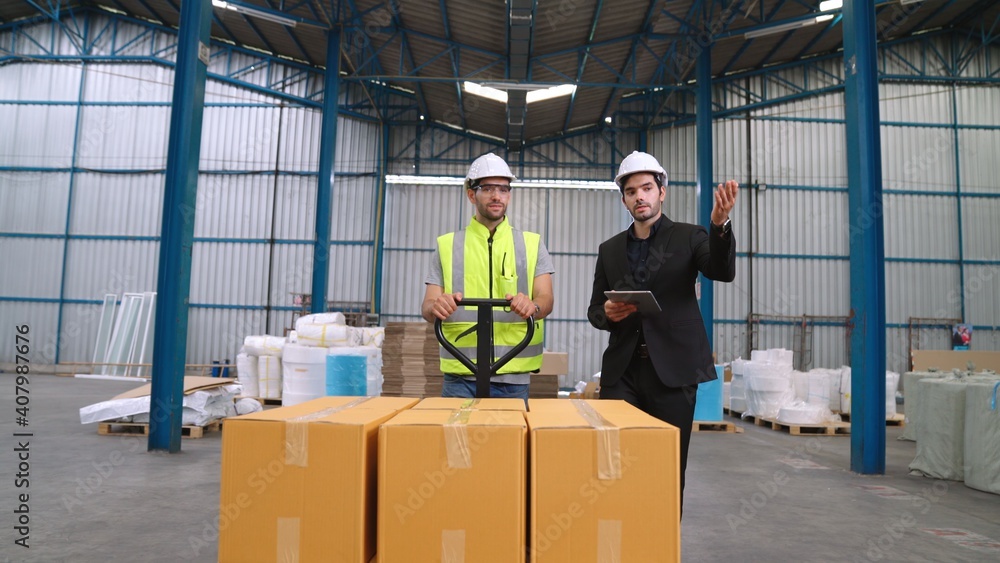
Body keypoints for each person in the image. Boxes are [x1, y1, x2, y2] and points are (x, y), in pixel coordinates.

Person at [587, 151, 738, 512]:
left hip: (673, 374)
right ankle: (616, 536)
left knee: (667, 467)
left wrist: (719, 225)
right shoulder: (609, 250)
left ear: (661, 192)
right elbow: (595, 311)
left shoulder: (690, 237)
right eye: (632, 191)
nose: (640, 196)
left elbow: (721, 270)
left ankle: (661, 541)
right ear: (624, 199)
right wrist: (607, 312)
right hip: (622, 373)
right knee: (613, 465)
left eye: (647, 188)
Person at [422, 153, 555, 399]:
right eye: (488, 189)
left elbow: (546, 299)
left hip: (513, 375)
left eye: (503, 189)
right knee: (457, 439)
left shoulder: (532, 244)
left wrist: (533, 305)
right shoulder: (447, 245)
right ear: (471, 194)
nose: (497, 196)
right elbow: (428, 306)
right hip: (460, 376)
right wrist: (436, 306)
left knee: (508, 439)